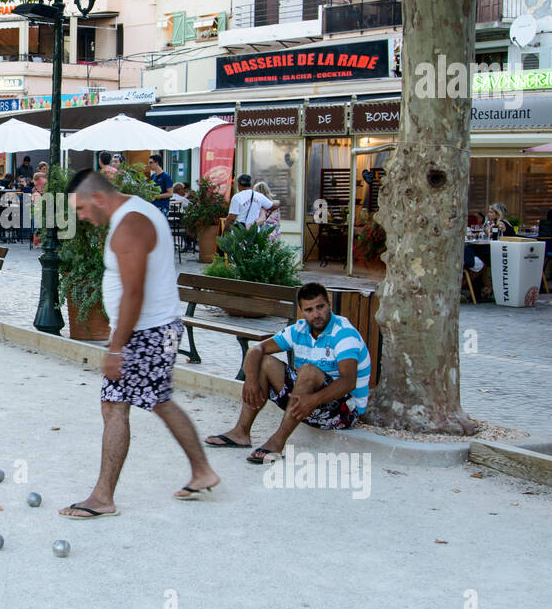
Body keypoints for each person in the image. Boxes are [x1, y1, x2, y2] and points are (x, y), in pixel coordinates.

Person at [59, 169, 219, 518]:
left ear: (98, 199)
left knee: (116, 405)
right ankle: (202, 470)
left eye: (83, 209)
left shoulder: (129, 225)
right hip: (153, 330)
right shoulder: (137, 211)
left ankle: (103, 497)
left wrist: (117, 347)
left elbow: (134, 292)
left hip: (146, 332)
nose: (82, 217)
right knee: (157, 402)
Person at [204, 282, 371, 465]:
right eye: (309, 310)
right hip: (307, 403)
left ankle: (277, 442)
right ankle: (241, 432)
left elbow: (348, 382)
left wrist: (313, 400)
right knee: (264, 361)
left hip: (343, 412)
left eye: (320, 307)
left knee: (307, 371)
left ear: (329, 305)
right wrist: (251, 380)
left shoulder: (344, 334)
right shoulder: (298, 330)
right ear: (301, 311)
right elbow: (256, 349)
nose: (316, 314)